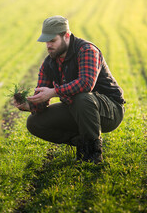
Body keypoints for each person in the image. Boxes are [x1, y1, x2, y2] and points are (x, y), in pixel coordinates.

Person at [14, 15, 125, 164]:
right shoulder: (48, 63)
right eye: (46, 41)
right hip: (76, 109)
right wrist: (28, 104)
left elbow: (86, 84)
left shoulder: (86, 50)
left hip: (110, 110)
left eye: (52, 40)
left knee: (82, 98)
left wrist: (54, 91)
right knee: (34, 122)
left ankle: (93, 154)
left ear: (66, 36)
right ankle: (82, 143)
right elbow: (41, 101)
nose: (48, 45)